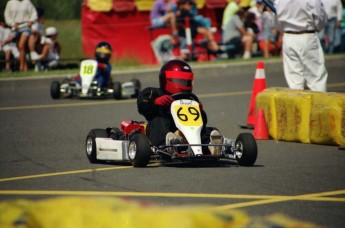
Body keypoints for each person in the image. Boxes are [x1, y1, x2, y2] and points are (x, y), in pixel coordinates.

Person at [137, 59, 221, 155]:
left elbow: (203, 122)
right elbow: (141, 104)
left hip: (185, 132)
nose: (183, 84)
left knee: (206, 130)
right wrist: (155, 102)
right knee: (159, 122)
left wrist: (200, 112)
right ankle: (167, 145)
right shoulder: (154, 92)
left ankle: (211, 144)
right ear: (166, 79)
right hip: (164, 129)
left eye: (185, 81)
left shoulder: (190, 98)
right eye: (179, 80)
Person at [274, 0, 328, 92]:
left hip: (289, 36)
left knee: (294, 80)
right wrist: (316, 28)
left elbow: (277, 23)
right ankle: (319, 104)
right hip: (307, 35)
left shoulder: (279, 1)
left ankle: (297, 105)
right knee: (316, 77)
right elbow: (320, 18)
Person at [4, 0, 38, 71]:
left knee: (21, 45)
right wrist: (12, 23)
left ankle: (21, 66)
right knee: (21, 48)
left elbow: (34, 13)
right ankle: (24, 66)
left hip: (25, 26)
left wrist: (31, 21)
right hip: (15, 27)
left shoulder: (27, 2)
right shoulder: (10, 3)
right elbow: (7, 15)